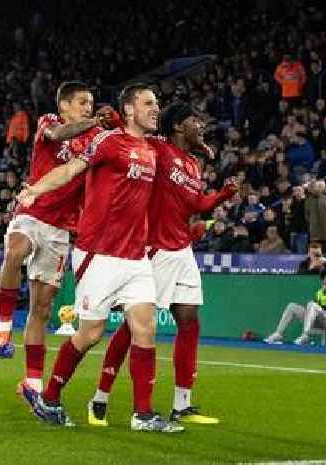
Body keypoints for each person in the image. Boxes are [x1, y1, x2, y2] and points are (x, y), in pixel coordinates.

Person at [16, 83, 182, 432]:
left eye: (158, 102)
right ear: (130, 110)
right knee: (90, 334)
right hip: (99, 254)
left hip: (135, 257)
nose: (156, 108)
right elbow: (72, 168)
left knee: (145, 328)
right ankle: (49, 397)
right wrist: (36, 190)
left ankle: (143, 413)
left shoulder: (151, 149)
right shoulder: (108, 141)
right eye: (149, 103)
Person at [87, 102, 237, 427]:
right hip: (156, 249)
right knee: (134, 327)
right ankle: (100, 396)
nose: (201, 125)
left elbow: (196, 204)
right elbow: (131, 132)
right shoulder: (157, 148)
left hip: (182, 249)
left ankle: (182, 404)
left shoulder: (194, 165)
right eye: (195, 120)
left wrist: (223, 195)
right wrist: (114, 116)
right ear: (180, 126)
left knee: (190, 320)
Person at [0, 82, 109, 397]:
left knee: (42, 309)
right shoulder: (48, 122)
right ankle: (3, 328)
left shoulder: (95, 140)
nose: (89, 107)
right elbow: (58, 137)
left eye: (91, 103)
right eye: (83, 102)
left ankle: (32, 381)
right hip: (32, 211)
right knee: (16, 250)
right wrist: (97, 122)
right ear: (65, 106)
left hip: (60, 230)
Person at [263, 266, 326, 346]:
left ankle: (305, 335)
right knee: (292, 306)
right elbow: (314, 309)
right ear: (323, 280)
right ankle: (278, 334)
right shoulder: (320, 292)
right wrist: (313, 309)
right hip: (315, 319)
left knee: (311, 304)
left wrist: (322, 308)